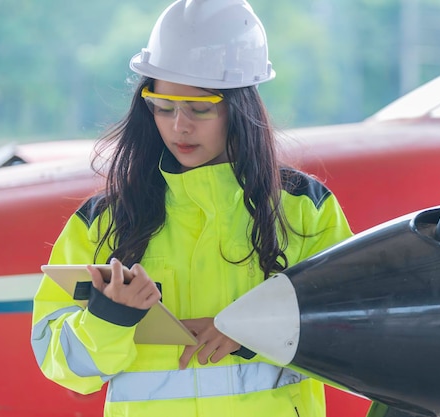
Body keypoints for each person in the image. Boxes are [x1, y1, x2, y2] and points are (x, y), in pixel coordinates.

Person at [30, 1, 353, 416]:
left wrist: (255, 331)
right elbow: (62, 365)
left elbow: (352, 332)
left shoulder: (305, 209)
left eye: (200, 109)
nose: (179, 126)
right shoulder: (102, 223)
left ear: (241, 106)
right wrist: (108, 318)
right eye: (163, 108)